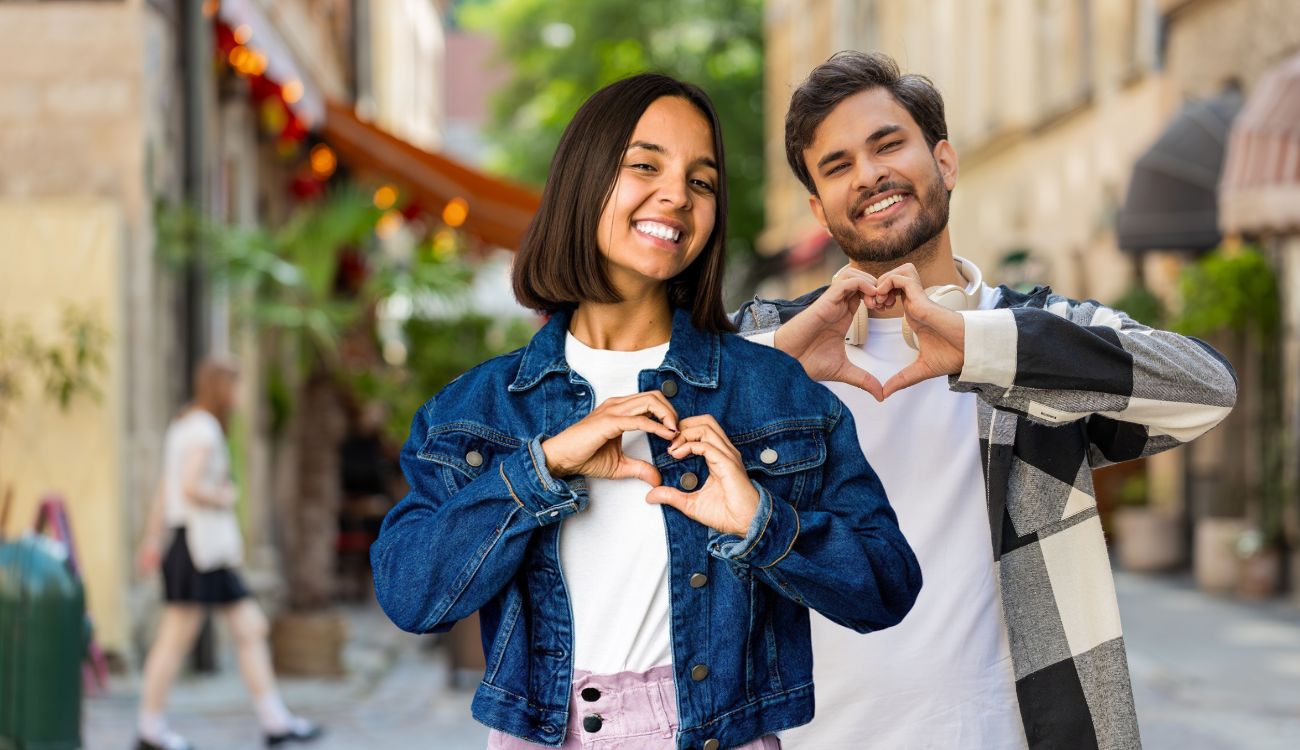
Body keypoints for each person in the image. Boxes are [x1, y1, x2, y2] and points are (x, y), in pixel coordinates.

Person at [371, 73, 922, 750]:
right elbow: (410, 596)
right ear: (585, 178)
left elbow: (887, 586)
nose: (677, 196)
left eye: (702, 181)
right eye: (644, 165)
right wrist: (541, 468)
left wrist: (760, 522)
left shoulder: (772, 391)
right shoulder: (474, 409)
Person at [731, 51, 1238, 750]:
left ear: (945, 162)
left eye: (888, 145)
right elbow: (642, 465)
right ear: (818, 208)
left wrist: (982, 349)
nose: (870, 175)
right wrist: (777, 370)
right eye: (838, 165)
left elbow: (1207, 389)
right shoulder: (760, 343)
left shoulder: (1035, 340)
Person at [136, 357, 321, 750]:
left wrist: (152, 539)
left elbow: (166, 487)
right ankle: (150, 728)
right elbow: (186, 487)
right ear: (221, 388)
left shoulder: (183, 425)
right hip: (201, 550)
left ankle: (275, 720)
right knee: (178, 638)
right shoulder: (204, 431)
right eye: (236, 387)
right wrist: (223, 495)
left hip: (193, 546)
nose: (240, 395)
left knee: (249, 628)